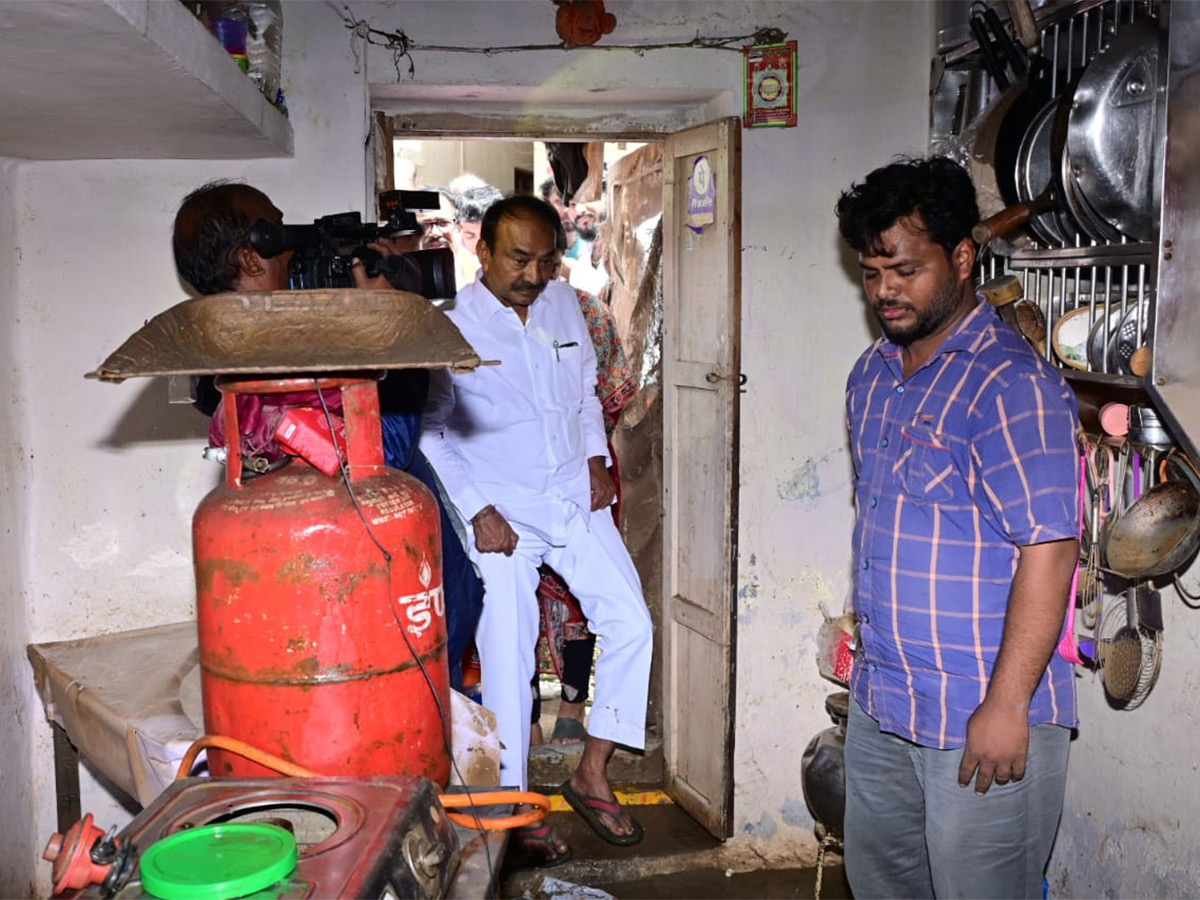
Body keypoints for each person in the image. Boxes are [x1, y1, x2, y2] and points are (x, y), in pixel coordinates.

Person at [834, 156, 1080, 900]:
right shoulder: (871, 376)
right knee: (880, 884)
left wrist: (1007, 706)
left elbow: (1051, 548)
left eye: (905, 270)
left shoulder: (1011, 385)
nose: (884, 291)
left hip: (981, 712)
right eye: (871, 271)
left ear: (964, 257)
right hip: (885, 703)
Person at [172, 180, 484, 692]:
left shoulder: (213, 353)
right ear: (252, 259)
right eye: (277, 228)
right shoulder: (280, 356)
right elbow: (393, 444)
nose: (293, 244)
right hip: (374, 559)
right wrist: (387, 320)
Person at [419, 195, 652, 866]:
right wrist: (477, 508)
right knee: (509, 653)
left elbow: (582, 395)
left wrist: (596, 460)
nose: (534, 273)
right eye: (519, 258)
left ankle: (591, 771)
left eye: (546, 258)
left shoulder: (563, 305)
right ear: (483, 252)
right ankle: (511, 809)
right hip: (502, 515)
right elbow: (433, 433)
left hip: (571, 497)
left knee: (632, 623)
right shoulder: (449, 327)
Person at [453, 183, 504, 289]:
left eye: (486, 235)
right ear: (458, 227)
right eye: (470, 235)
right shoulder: (453, 261)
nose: (479, 244)